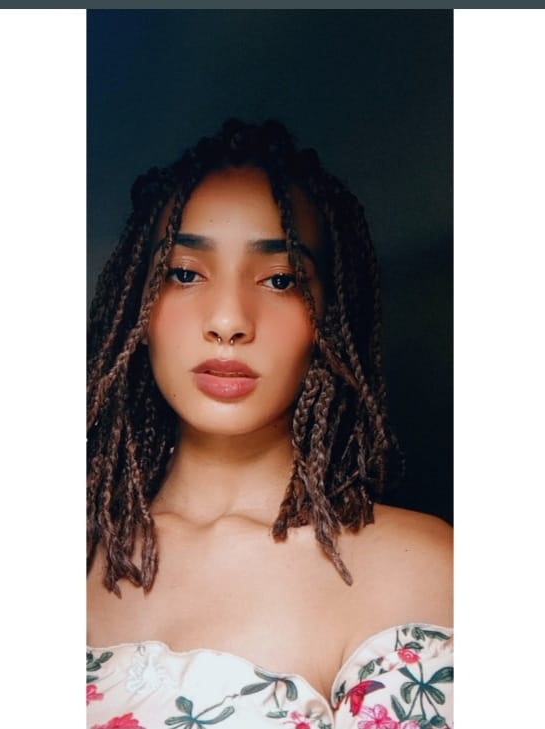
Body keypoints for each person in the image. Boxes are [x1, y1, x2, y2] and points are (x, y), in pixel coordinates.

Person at [87, 119, 453, 729]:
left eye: (281, 280)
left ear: (327, 318)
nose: (229, 321)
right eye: (185, 273)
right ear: (137, 308)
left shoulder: (413, 569)